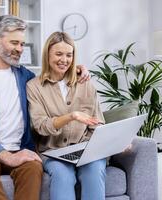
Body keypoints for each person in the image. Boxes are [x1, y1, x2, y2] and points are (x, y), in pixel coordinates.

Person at [0, 15, 90, 200]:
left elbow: (51, 77)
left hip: (20, 149)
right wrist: (6, 156)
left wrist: (76, 69)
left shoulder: (26, 78)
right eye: (14, 43)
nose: (20, 49)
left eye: (22, 44)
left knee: (34, 168)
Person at [27, 32, 106, 200]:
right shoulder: (34, 87)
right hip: (52, 151)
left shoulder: (86, 83)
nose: (64, 60)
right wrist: (72, 116)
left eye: (69, 55)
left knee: (95, 170)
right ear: (47, 54)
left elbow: (97, 123)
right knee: (63, 176)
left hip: (85, 148)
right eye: (58, 54)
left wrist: (114, 141)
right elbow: (40, 125)